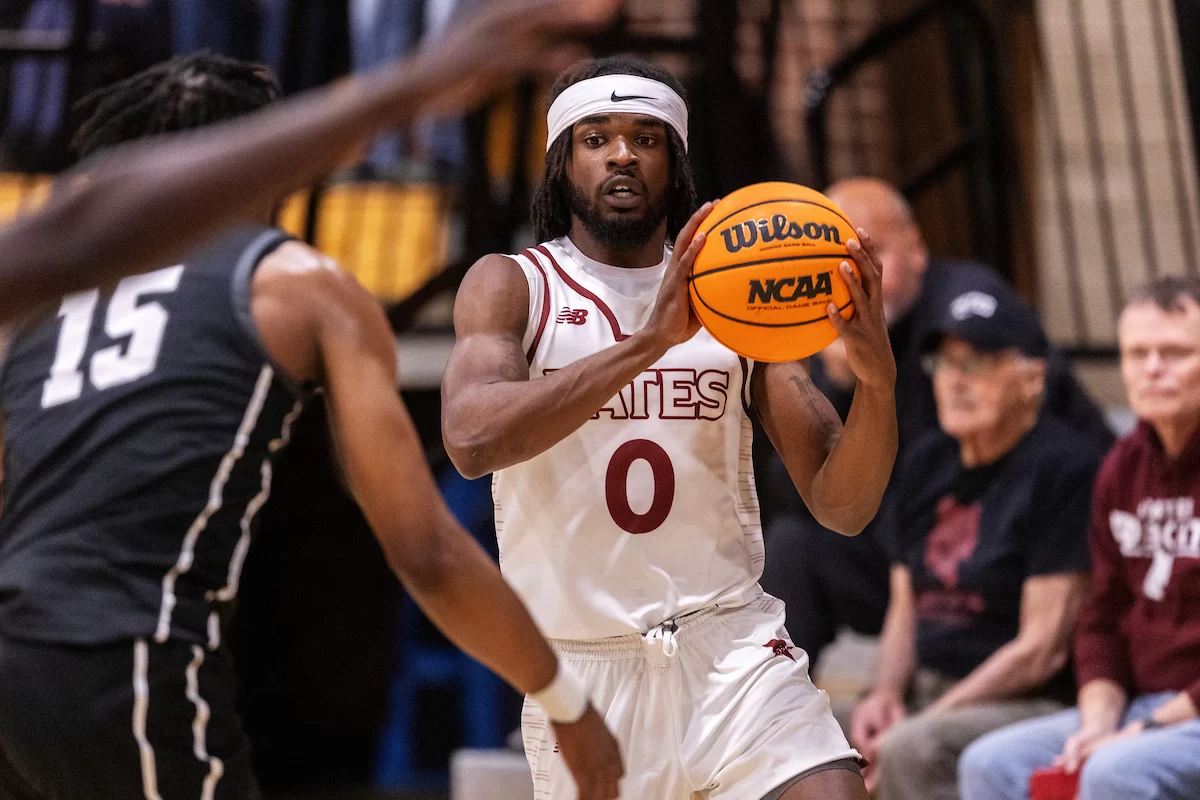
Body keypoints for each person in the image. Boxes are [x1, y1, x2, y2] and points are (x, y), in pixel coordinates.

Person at [0, 32, 626, 800]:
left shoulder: (36, 315)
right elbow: (424, 548)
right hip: (123, 657)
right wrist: (566, 702)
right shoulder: (297, 280)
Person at [440, 55, 899, 800]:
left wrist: (878, 385)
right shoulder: (513, 285)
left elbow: (842, 506)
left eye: (646, 137)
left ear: (675, 164)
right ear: (561, 164)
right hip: (585, 670)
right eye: (597, 137)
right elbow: (470, 440)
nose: (623, 153)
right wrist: (646, 346)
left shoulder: (735, 299)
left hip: (731, 651)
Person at [0, 0, 616, 328]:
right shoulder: (310, 295)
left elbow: (78, 227)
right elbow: (423, 545)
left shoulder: (42, 324)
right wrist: (408, 88)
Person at [759, 177, 1113, 668]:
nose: (852, 273)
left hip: (1011, 550)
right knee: (792, 548)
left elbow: (991, 454)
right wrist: (841, 389)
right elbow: (797, 491)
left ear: (917, 248)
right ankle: (780, 711)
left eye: (871, 250)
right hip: (913, 548)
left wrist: (873, 388)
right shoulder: (834, 331)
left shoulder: (964, 309)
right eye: (833, 263)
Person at [848, 288, 1102, 800]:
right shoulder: (926, 460)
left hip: (1027, 699)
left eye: (978, 362)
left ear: (1033, 378)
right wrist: (885, 694)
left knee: (916, 748)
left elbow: (1041, 651)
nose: (954, 379)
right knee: (814, 735)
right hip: (927, 688)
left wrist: (927, 717)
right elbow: (905, 607)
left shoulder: (1068, 469)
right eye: (943, 361)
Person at [959, 276, 1200, 800]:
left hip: (1187, 712)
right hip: (1142, 702)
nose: (1152, 368)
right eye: (1138, 354)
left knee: (1115, 773)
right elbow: (1101, 618)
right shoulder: (1122, 467)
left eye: (1175, 352)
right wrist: (1099, 720)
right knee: (990, 763)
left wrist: (1153, 728)